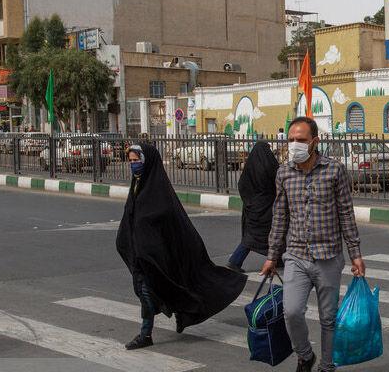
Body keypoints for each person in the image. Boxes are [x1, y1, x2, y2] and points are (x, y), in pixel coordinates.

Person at [116, 144, 247, 350]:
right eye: (131, 161)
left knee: (149, 293)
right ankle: (177, 315)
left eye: (137, 161)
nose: (134, 165)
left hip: (158, 257)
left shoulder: (158, 192)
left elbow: (167, 225)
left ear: (147, 161)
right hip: (142, 256)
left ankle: (146, 333)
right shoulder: (137, 185)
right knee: (147, 292)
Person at [260, 117, 366, 372]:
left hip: (328, 257)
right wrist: (272, 255)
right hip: (296, 255)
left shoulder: (334, 170)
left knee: (328, 318)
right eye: (291, 140)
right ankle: (305, 355)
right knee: (292, 311)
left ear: (315, 141)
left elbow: (346, 213)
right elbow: (280, 217)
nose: (295, 144)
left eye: (301, 140)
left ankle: (327, 366)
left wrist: (355, 254)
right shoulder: (284, 173)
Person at [227, 141, 279, 272]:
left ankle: (277, 260)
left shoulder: (249, 167)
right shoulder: (270, 165)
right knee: (266, 235)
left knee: (254, 236)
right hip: (267, 208)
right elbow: (278, 182)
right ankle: (235, 261)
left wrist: (249, 201)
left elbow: (242, 186)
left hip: (252, 208)